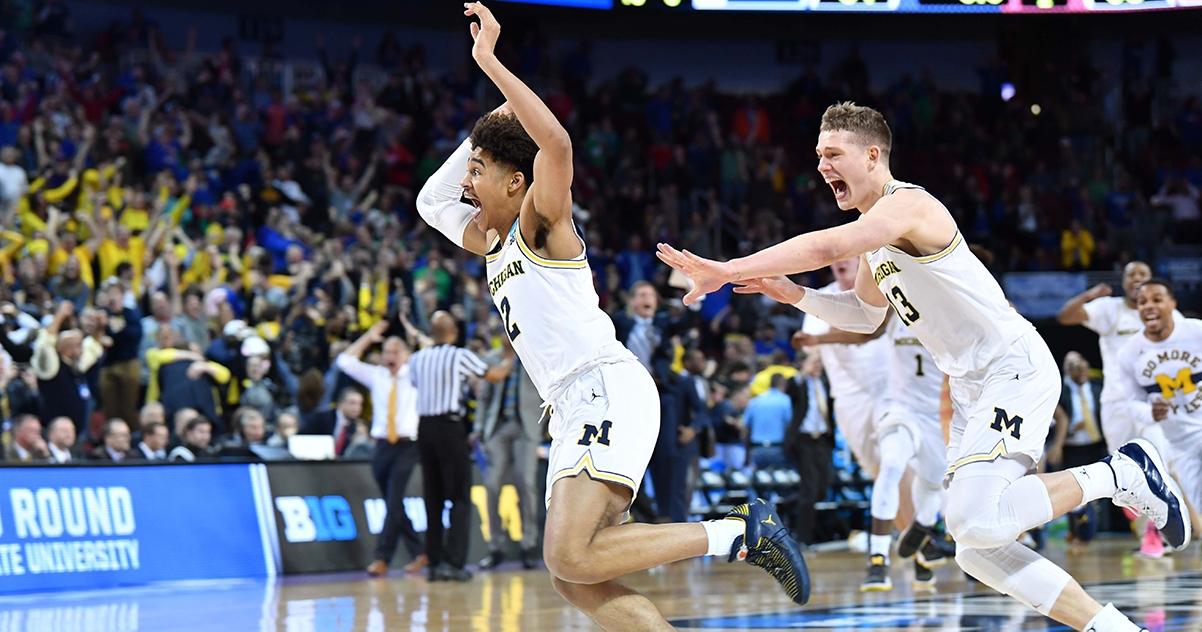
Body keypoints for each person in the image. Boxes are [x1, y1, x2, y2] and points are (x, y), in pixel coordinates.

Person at [657, 101, 1185, 632]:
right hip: (972, 385)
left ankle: (1120, 472)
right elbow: (865, 316)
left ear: (871, 155)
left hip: (1010, 367)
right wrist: (795, 294)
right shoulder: (876, 236)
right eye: (818, 156)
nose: (821, 167)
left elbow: (829, 244)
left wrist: (728, 269)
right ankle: (1113, 628)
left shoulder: (908, 205)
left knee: (978, 521)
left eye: (833, 154)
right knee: (976, 550)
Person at [413, 2, 809, 625]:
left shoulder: (540, 225)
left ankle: (738, 532)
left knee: (570, 554)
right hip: (571, 403)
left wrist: (490, 63)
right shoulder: (487, 240)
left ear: (518, 183)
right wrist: (484, 134)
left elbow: (557, 143)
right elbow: (428, 198)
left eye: (480, 171)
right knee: (575, 575)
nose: (467, 183)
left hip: (604, 386)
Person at [796, 314, 949, 591]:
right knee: (890, 465)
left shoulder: (953, 315)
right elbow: (864, 334)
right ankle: (877, 560)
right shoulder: (899, 307)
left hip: (936, 417)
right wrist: (819, 339)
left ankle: (922, 527)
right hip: (898, 407)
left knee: (932, 483)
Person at [1056, 261, 1182, 558]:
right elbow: (1065, 316)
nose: (1136, 279)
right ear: (1123, 281)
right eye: (1131, 275)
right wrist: (1088, 296)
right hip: (1115, 402)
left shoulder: (1165, 312)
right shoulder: (1109, 309)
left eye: (1142, 274)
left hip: (1152, 401)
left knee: (1157, 459)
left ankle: (1155, 533)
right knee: (1124, 472)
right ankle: (1146, 530)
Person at [408, 310, 512, 582]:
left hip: (424, 429)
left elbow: (415, 385)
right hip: (449, 427)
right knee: (459, 498)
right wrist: (511, 356)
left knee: (433, 497)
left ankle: (434, 563)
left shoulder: (417, 359)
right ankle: (454, 564)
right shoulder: (459, 355)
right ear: (453, 332)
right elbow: (496, 375)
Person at [335, 321, 426, 578]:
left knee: (394, 499)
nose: (390, 357)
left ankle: (381, 558)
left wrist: (416, 334)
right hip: (383, 445)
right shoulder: (377, 375)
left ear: (406, 355)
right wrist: (368, 337)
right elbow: (344, 361)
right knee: (392, 502)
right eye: (386, 351)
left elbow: (438, 351)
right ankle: (420, 551)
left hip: (408, 444)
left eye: (396, 351)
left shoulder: (417, 372)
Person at [1112, 281, 1202, 536]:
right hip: (1178, 441)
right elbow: (1130, 402)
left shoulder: (1196, 332)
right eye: (1143, 302)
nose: (1149, 306)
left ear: (1173, 303)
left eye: (1157, 299)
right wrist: (1149, 413)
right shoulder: (1129, 353)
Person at [476, 338, 544, 571]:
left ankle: (528, 545)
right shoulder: (492, 358)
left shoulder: (533, 356)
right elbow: (484, 398)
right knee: (492, 485)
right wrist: (479, 429)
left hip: (526, 427)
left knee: (525, 484)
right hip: (498, 427)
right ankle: (495, 547)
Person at [1048, 352, 1107, 551]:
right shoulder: (1060, 390)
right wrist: (1067, 434)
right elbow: (1057, 421)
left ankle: (1094, 530)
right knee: (1076, 493)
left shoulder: (1099, 387)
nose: (1079, 370)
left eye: (1081, 365)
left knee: (1103, 491)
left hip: (1098, 445)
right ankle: (1078, 532)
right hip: (1073, 448)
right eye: (1072, 366)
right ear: (1066, 371)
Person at [301, 387, 364, 458]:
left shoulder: (357, 426)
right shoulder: (321, 418)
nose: (357, 408)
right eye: (352, 403)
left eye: (360, 404)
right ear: (341, 403)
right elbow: (302, 438)